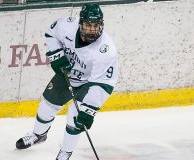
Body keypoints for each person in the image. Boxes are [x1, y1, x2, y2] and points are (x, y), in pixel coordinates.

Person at [15, 3, 118, 160]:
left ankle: (65, 152)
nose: (91, 30)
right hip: (68, 72)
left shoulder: (106, 50)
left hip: (92, 83)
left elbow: (102, 84)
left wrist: (89, 109)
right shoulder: (67, 25)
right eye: (88, 25)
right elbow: (51, 33)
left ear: (101, 25)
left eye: (95, 26)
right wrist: (57, 56)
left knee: (75, 116)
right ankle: (38, 135)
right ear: (80, 23)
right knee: (47, 105)